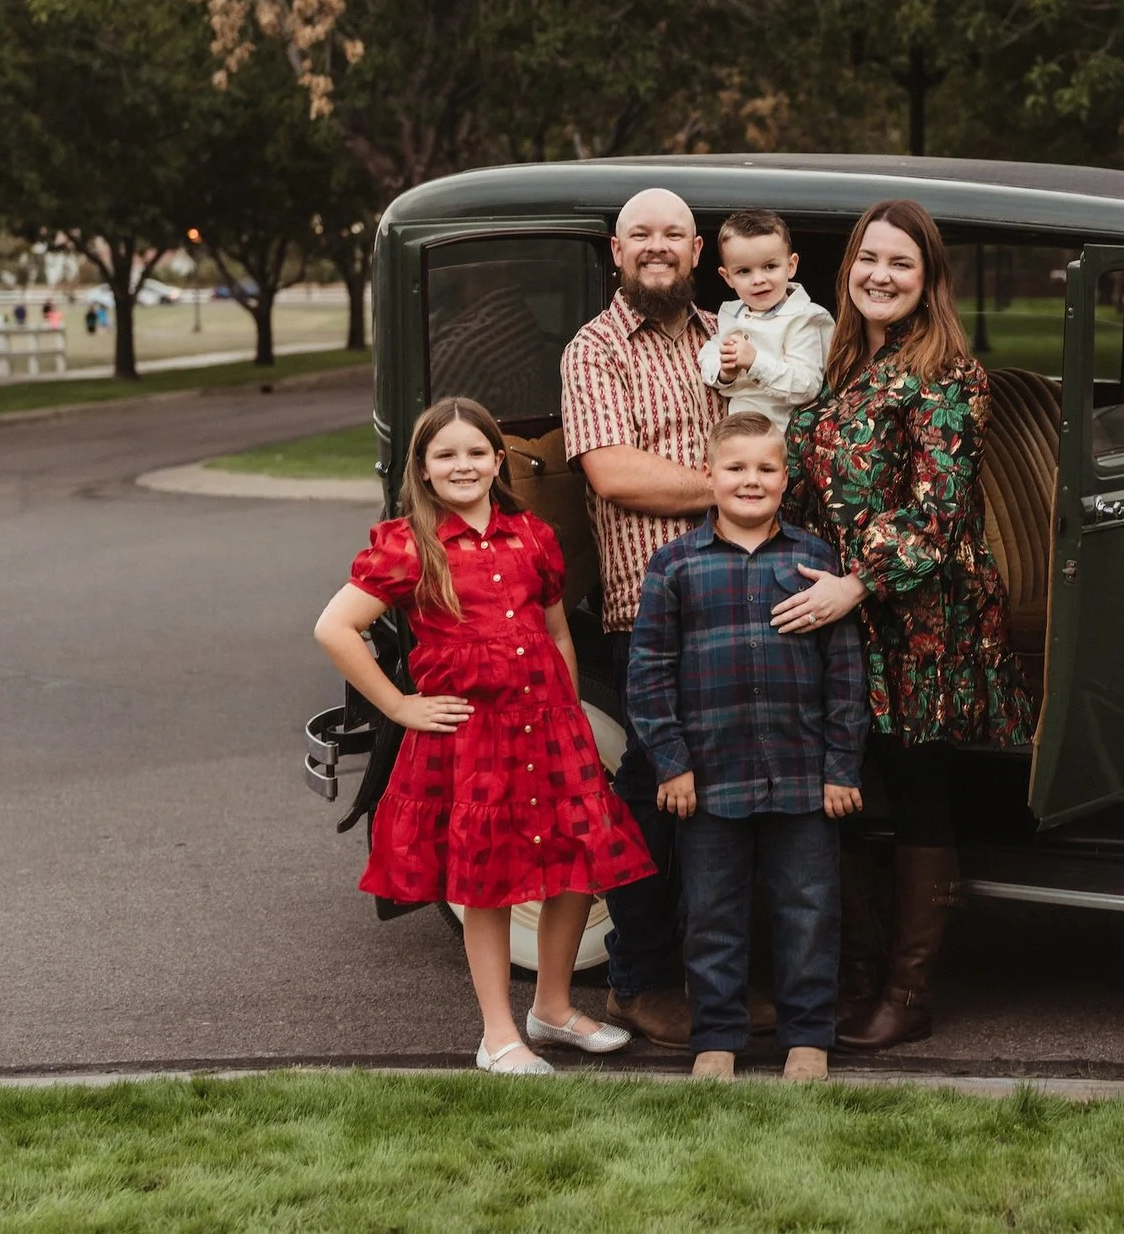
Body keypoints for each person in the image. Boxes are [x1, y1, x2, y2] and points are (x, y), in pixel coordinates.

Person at [313, 396, 651, 1075]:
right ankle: (498, 1035)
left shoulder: (533, 535)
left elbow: (556, 631)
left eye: (476, 452)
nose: (463, 465)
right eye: (446, 455)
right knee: (489, 882)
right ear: (425, 469)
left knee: (575, 862)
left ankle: (551, 1009)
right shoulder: (409, 544)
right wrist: (400, 706)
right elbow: (334, 627)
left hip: (552, 730)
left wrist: (573, 718)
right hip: (475, 739)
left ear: (499, 460)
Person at [774, 197, 1036, 1051]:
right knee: (843, 788)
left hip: (920, 619)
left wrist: (857, 582)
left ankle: (908, 991)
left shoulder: (947, 373)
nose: (880, 275)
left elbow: (940, 513)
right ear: (849, 266)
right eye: (868, 259)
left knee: (917, 793)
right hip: (835, 611)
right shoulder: (844, 358)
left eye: (901, 264)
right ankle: (850, 977)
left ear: (929, 282)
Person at [627, 412, 868, 1083]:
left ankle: (808, 1037)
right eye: (736, 467)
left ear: (787, 478)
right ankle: (717, 1037)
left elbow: (846, 672)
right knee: (711, 913)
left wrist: (841, 766)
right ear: (710, 475)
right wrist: (671, 761)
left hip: (803, 776)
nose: (751, 480)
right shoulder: (676, 564)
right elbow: (648, 674)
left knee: (810, 908)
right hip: (710, 777)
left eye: (766, 468)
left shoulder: (816, 561)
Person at [560, 187, 727, 1048]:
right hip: (650, 609)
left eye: (673, 233)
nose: (657, 247)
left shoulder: (725, 339)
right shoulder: (594, 350)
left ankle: (720, 982)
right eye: (640, 235)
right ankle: (637, 978)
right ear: (615, 251)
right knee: (658, 794)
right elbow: (614, 473)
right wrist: (728, 487)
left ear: (697, 250)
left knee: (725, 795)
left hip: (741, 597)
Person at [697, 209, 834, 432]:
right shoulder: (732, 315)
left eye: (770, 267)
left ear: (791, 266)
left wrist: (755, 363)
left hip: (784, 435)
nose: (759, 279)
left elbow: (806, 386)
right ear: (727, 277)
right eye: (744, 271)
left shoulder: (804, 318)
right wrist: (724, 372)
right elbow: (706, 358)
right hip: (735, 433)